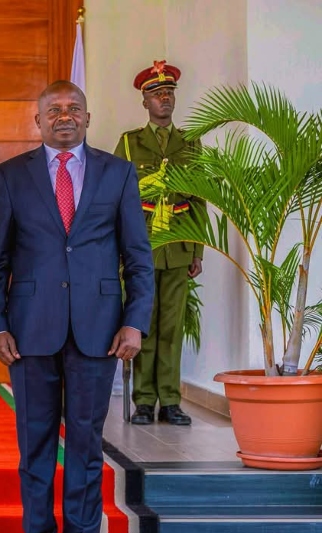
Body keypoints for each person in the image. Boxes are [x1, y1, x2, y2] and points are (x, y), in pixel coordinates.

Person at [0, 80, 154, 533]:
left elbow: (137, 256)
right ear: (38, 121)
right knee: (34, 444)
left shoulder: (118, 173)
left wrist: (135, 322)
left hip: (99, 330)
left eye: (73, 108)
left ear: (88, 117)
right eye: (53, 110)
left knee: (85, 442)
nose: (64, 116)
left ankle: (82, 528)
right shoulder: (12, 174)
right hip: (29, 331)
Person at [113, 60, 204, 426]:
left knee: (172, 327)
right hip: (142, 247)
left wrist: (197, 249)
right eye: (156, 93)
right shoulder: (130, 143)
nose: (164, 98)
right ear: (144, 101)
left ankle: (170, 401)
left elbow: (200, 197)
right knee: (143, 322)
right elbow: (116, 198)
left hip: (178, 246)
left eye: (169, 93)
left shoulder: (190, 142)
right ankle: (144, 402)